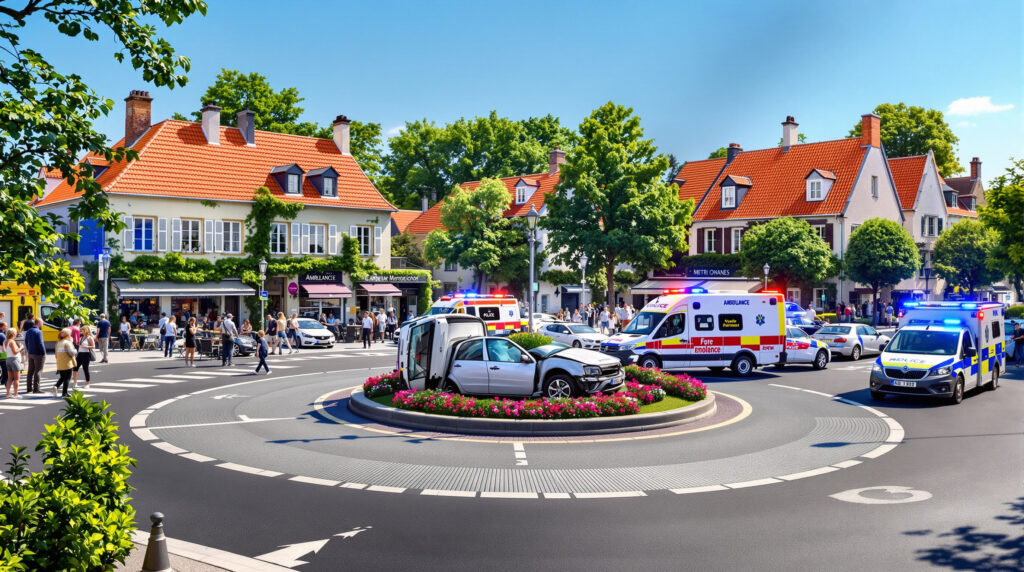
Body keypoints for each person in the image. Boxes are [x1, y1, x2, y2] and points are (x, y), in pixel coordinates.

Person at [53, 328, 77, 398]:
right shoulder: (67, 343)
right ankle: (64, 392)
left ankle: (56, 386)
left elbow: (56, 354)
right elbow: (71, 353)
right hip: (67, 363)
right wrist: (75, 349)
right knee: (67, 378)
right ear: (68, 335)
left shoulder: (58, 343)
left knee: (62, 377)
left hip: (60, 363)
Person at [24, 318, 45, 393]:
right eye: (42, 323)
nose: (42, 324)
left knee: (30, 371)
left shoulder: (28, 331)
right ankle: (36, 388)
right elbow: (40, 343)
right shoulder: (38, 332)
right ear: (39, 323)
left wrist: (29, 349)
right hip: (38, 353)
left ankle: (29, 388)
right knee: (38, 370)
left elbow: (26, 341)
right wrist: (43, 352)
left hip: (31, 353)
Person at [74, 324, 95, 389]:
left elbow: (93, 346)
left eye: (82, 329)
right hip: (79, 354)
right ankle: (75, 383)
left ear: (86, 330)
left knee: (85, 369)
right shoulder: (80, 337)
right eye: (81, 329)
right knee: (75, 368)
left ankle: (87, 383)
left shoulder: (89, 337)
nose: (81, 330)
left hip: (86, 354)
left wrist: (85, 346)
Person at [5, 326, 22, 398]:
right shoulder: (12, 341)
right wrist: (21, 347)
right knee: (16, 378)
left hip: (8, 359)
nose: (16, 334)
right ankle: (16, 394)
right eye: (15, 333)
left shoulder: (6, 341)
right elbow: (15, 352)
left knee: (10, 378)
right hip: (14, 360)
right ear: (13, 334)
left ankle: (8, 393)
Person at [0, 322, 7, 397]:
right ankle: (4, 382)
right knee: (5, 369)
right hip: (2, 355)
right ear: (1, 327)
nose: (6, 327)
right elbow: (3, 346)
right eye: (6, 326)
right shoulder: (2, 335)